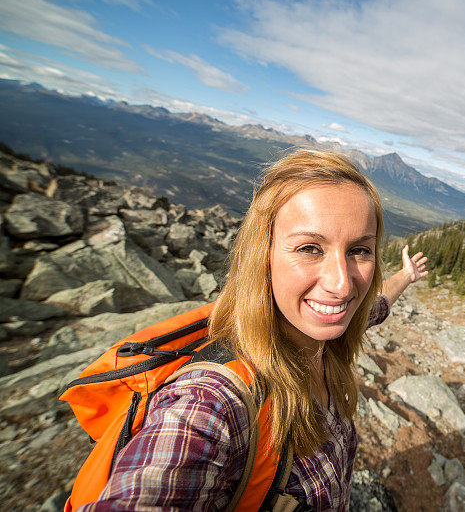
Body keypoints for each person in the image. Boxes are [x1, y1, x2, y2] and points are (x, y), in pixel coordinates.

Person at [78, 149, 427, 511]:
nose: (341, 285)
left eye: (359, 250)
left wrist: (406, 276)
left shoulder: (330, 329)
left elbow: (374, 307)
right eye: (309, 248)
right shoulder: (212, 403)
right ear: (264, 254)